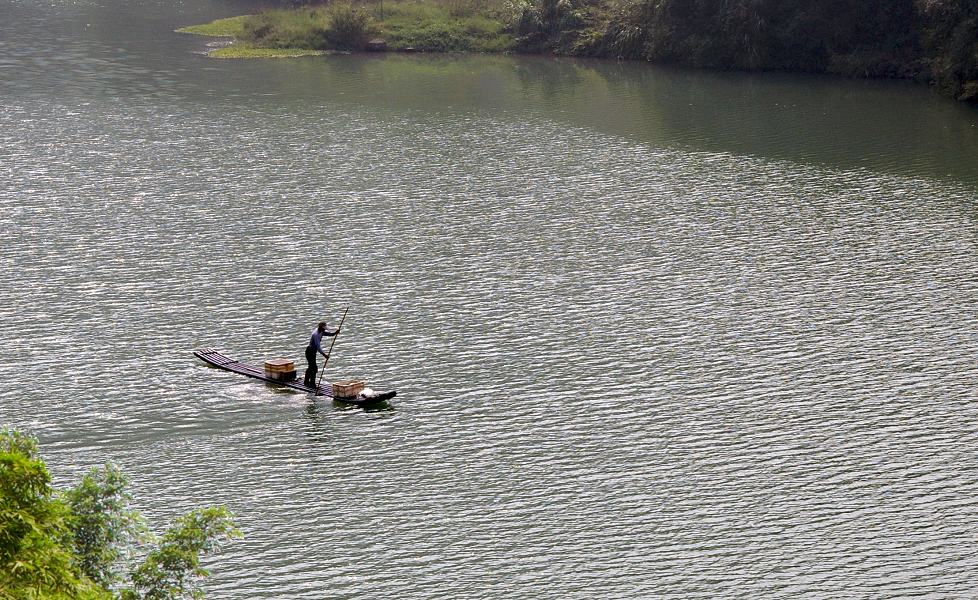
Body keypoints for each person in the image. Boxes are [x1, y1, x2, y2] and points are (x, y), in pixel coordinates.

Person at [304, 321, 339, 387]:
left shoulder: (321, 331)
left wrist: (334, 333)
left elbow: (327, 333)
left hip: (313, 352)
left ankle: (306, 382)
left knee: (311, 367)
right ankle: (312, 384)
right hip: (310, 352)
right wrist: (324, 355)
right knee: (313, 368)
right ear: (320, 328)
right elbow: (318, 347)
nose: (324, 330)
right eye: (324, 329)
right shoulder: (316, 334)